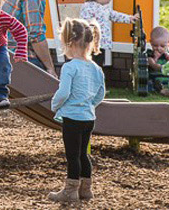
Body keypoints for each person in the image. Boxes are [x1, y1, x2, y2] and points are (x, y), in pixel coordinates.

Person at [48, 18, 105, 203]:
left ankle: (70, 192)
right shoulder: (96, 69)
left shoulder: (69, 67)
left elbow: (64, 92)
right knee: (83, 154)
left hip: (72, 118)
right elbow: (100, 95)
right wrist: (88, 106)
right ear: (90, 42)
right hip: (88, 118)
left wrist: (55, 105)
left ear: (69, 43)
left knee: (72, 156)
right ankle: (86, 191)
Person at [79, 0, 139, 67]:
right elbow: (84, 23)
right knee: (91, 64)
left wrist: (129, 18)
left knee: (98, 64)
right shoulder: (88, 7)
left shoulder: (104, 9)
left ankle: (95, 78)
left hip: (100, 45)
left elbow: (115, 15)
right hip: (91, 44)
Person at [147, 26, 169, 92]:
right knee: (149, 84)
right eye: (155, 45)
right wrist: (156, 58)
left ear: (168, 43)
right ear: (151, 42)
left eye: (162, 46)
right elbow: (152, 65)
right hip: (155, 78)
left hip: (168, 78)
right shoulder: (150, 54)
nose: (158, 48)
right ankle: (158, 87)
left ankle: (165, 87)